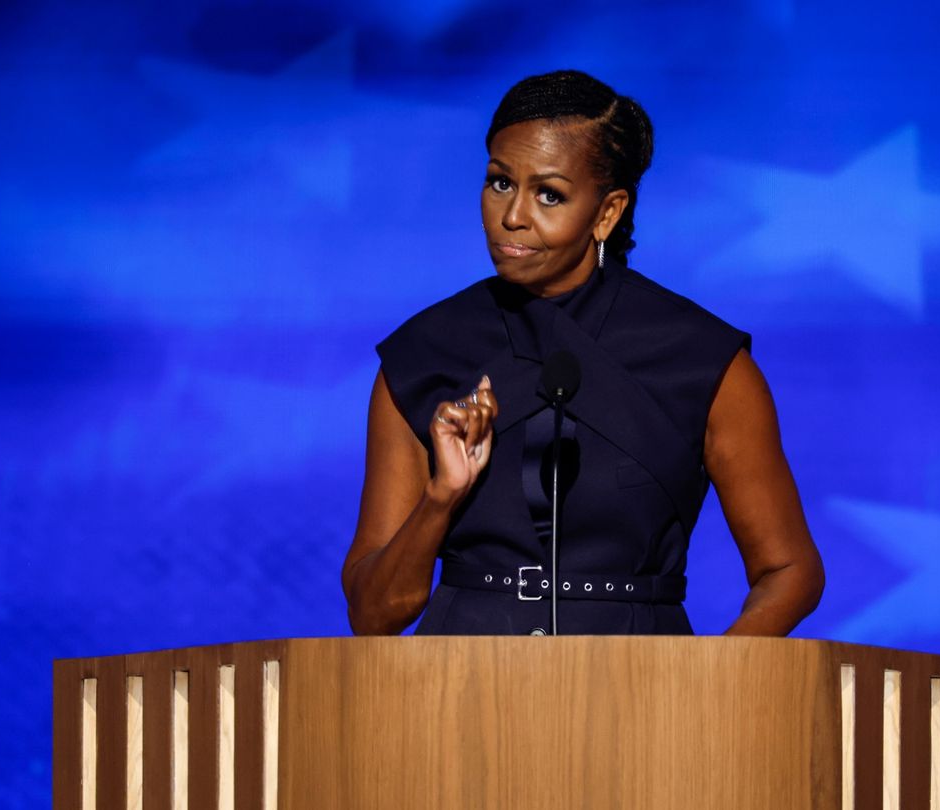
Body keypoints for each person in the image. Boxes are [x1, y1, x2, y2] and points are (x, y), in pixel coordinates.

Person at [342, 70, 823, 636]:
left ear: (607, 212)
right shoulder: (424, 354)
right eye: (500, 182)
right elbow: (373, 615)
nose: (513, 216)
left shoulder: (704, 360)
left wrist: (709, 688)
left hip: (646, 694)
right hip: (456, 694)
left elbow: (790, 570)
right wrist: (441, 498)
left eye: (549, 194)